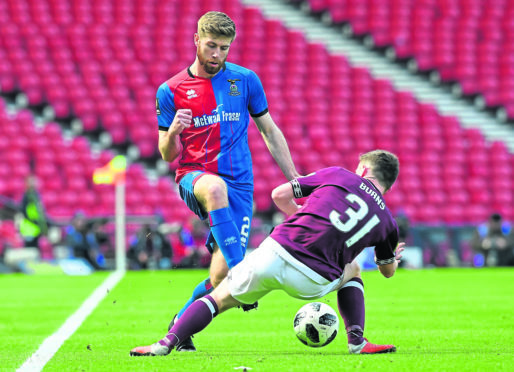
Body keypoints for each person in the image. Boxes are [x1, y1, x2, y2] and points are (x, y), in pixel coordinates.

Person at [130, 149, 404, 356]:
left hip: (276, 251)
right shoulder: (388, 223)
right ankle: (357, 340)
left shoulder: (340, 175)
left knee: (219, 298)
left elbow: (278, 195)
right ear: (388, 185)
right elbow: (388, 271)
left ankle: (165, 343)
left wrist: (303, 216)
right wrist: (393, 255)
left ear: (365, 170)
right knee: (353, 269)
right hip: (312, 280)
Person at [155, 11, 299, 351]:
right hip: (195, 177)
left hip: (240, 187)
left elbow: (268, 130)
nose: (217, 54)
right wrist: (173, 131)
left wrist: (294, 178)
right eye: (211, 46)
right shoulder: (171, 90)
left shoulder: (245, 80)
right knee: (215, 191)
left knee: (219, 280)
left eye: (224, 48)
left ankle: (180, 328)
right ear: (197, 41)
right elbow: (166, 154)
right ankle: (242, 271)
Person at [19, 175, 48, 248]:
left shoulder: (37, 195)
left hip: (37, 226)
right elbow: (24, 211)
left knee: (36, 248)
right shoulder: (27, 195)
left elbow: (40, 210)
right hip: (29, 226)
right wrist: (33, 220)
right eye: (32, 182)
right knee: (29, 249)